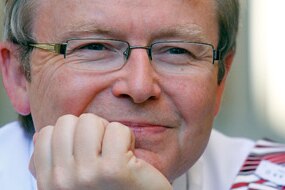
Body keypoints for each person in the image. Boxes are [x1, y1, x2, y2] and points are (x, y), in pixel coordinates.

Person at [1, 0, 282, 190]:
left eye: (177, 51)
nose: (139, 87)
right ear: (18, 76)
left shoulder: (272, 177)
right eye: (94, 47)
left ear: (221, 79)